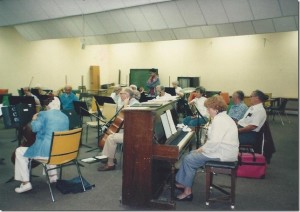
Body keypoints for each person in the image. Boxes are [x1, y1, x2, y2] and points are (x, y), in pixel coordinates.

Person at [175, 95, 239, 201]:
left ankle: (187, 192)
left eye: (208, 108)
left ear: (215, 108)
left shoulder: (219, 121)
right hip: (224, 151)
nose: (207, 111)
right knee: (191, 155)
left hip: (223, 154)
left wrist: (202, 149)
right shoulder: (223, 117)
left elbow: (214, 143)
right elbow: (213, 142)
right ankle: (183, 183)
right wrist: (201, 149)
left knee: (189, 159)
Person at [14, 97, 69, 193]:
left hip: (48, 153)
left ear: (48, 106)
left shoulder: (43, 114)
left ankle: (25, 183)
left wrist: (34, 119)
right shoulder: (65, 116)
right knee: (51, 144)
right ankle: (53, 176)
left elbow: (34, 129)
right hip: (62, 152)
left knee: (19, 151)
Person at [98, 87, 139, 171]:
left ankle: (110, 164)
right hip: (129, 129)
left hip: (133, 133)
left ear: (127, 95)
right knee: (109, 134)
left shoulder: (134, 104)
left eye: (121, 93)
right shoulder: (129, 101)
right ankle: (110, 156)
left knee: (111, 138)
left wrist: (125, 106)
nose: (120, 95)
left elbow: (129, 120)